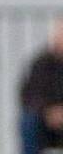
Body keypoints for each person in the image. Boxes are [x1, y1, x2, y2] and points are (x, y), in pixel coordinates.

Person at [19, 19, 63, 153]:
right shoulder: (41, 63)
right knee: (28, 120)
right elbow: (29, 94)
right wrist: (48, 110)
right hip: (46, 121)